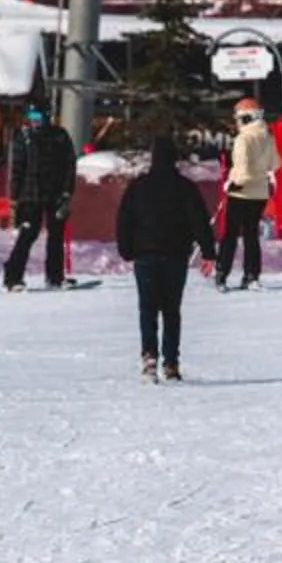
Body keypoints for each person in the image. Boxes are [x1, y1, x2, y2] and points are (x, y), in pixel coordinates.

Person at [114, 134, 216, 382]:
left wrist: (126, 249)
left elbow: (124, 220)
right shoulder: (185, 188)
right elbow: (199, 221)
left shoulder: (138, 187)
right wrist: (208, 252)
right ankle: (171, 362)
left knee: (147, 308)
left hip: (145, 255)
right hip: (175, 256)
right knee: (171, 310)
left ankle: (149, 357)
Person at [1, 103, 77, 291]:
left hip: (55, 194)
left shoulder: (60, 136)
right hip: (30, 195)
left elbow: (69, 166)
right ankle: (12, 277)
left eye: (38, 116)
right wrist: (14, 198)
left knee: (56, 236)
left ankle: (55, 277)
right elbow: (16, 169)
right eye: (32, 116)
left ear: (47, 116)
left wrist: (67, 193)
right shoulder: (24, 138)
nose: (35, 121)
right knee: (27, 234)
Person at [215, 100, 281, 291]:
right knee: (251, 234)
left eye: (238, 118)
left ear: (245, 118)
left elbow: (242, 169)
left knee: (230, 234)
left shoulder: (243, 139)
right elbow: (276, 163)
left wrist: (233, 184)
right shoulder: (268, 136)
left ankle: (222, 273)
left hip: (241, 193)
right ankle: (252, 275)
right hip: (259, 193)